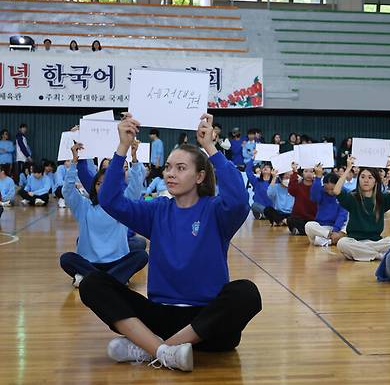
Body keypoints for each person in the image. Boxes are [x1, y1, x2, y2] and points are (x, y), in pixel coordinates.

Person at [79, 112, 261, 372]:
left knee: (246, 292)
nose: (170, 174)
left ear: (199, 177)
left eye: (180, 168)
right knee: (92, 282)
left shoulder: (216, 211)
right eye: (167, 167)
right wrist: (122, 146)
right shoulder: (157, 211)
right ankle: (163, 351)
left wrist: (210, 147)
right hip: (160, 316)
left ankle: (148, 349)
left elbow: (239, 200)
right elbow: (110, 201)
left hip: (207, 324)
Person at [60, 143, 148, 288]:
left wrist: (134, 158)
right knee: (66, 259)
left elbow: (136, 186)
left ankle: (91, 278)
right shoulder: (84, 206)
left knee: (141, 256)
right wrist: (74, 162)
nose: (103, 186)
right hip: (89, 262)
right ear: (94, 186)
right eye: (99, 183)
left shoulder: (122, 205)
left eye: (107, 183)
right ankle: (114, 279)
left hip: (117, 261)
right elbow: (68, 191)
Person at [333, 156, 390, 262]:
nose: (366, 180)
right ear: (358, 180)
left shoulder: (382, 199)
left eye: (370, 177)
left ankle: (362, 254)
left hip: (375, 242)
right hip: (354, 241)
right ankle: (378, 256)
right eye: (362, 177)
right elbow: (336, 191)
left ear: (376, 181)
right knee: (342, 243)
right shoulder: (352, 197)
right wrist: (348, 168)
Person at [305, 166, 348, 246]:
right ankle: (331, 239)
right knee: (308, 225)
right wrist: (318, 178)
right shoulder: (320, 191)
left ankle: (325, 241)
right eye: (326, 189)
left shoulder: (344, 192)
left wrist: (336, 230)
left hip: (338, 227)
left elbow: (342, 214)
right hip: (323, 228)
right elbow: (314, 197)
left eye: (332, 189)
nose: (329, 191)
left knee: (348, 226)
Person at [286, 163, 317, 235]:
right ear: (302, 173)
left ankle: (301, 231)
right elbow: (291, 190)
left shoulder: (317, 186)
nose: (308, 174)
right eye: (306, 171)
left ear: (315, 174)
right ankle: (304, 231)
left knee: (315, 225)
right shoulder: (298, 186)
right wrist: (294, 172)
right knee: (290, 220)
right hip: (299, 218)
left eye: (311, 171)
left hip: (313, 219)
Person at [244, 150, 274, 220]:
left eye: (268, 167)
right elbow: (248, 171)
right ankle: (266, 215)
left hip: (271, 209)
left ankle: (266, 215)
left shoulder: (275, 181)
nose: (265, 168)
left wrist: (277, 160)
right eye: (263, 167)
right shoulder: (256, 181)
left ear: (272, 170)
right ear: (261, 170)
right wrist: (252, 158)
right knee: (254, 205)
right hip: (260, 208)